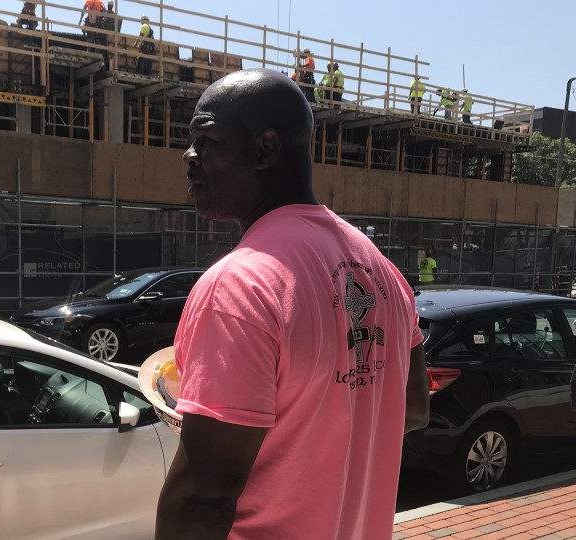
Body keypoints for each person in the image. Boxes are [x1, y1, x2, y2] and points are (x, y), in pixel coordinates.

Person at [155, 68, 430, 540]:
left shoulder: (242, 284)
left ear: (265, 149)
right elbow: (415, 410)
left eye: (208, 141)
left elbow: (204, 496)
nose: (190, 156)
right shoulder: (380, 271)